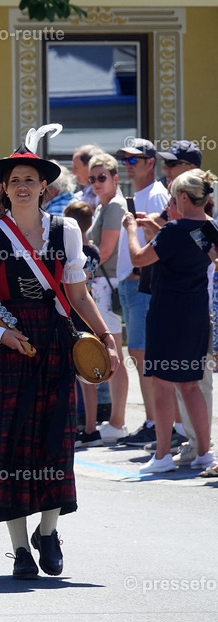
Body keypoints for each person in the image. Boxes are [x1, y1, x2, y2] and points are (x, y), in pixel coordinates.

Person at [0, 135, 119, 579]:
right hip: (11, 346)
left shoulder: (64, 231)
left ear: (44, 187)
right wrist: (6, 333)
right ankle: (20, 550)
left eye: (30, 180)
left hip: (53, 341)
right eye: (15, 181)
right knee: (9, 445)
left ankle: (48, 532)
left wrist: (105, 336)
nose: (22, 187)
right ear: (4, 188)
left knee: (55, 438)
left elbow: (77, 293)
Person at [126, 169, 217, 474]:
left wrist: (130, 229)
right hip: (196, 312)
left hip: (167, 313)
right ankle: (205, 452)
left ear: (182, 197)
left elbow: (139, 259)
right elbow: (187, 250)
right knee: (190, 385)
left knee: (163, 386)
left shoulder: (174, 229)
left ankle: (163, 455)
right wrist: (156, 230)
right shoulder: (210, 228)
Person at [116, 139, 170, 448]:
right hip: (132, 281)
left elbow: (158, 241)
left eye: (134, 160)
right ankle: (154, 422)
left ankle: (155, 423)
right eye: (125, 159)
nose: (127, 164)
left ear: (151, 163)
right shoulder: (142, 194)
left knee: (143, 354)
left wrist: (138, 273)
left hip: (142, 282)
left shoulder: (156, 194)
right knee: (138, 354)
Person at [85, 152, 130, 442]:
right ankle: (116, 421)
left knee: (115, 354)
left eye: (102, 177)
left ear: (115, 178)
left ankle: (117, 421)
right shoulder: (104, 205)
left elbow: (105, 251)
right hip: (102, 283)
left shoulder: (114, 205)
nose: (97, 183)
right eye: (92, 179)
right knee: (112, 352)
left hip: (108, 283)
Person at [63, 201, 104, 447]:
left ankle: (75, 425)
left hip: (74, 312)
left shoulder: (72, 252)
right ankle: (91, 427)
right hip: (91, 311)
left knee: (72, 373)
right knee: (89, 374)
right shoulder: (95, 251)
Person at [71, 144, 104, 211]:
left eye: (76, 167)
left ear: (90, 166)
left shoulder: (100, 193)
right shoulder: (85, 192)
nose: (73, 172)